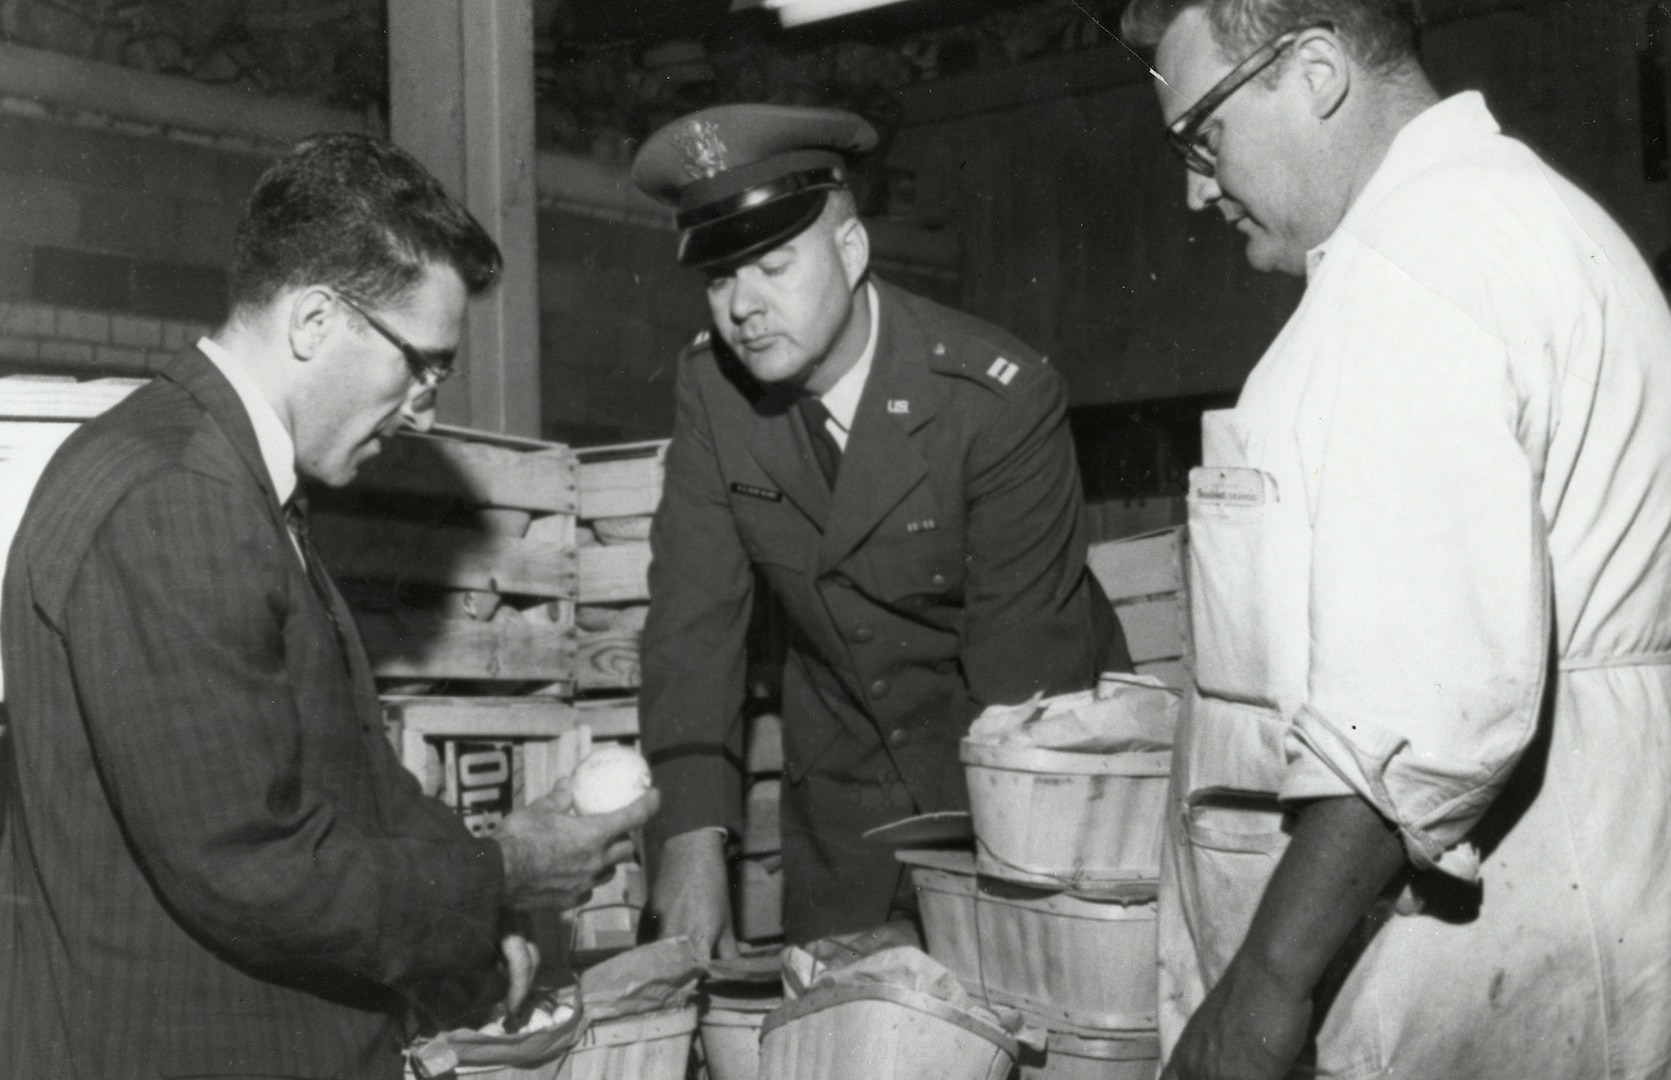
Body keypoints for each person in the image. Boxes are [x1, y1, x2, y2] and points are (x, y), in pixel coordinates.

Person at [0, 133, 658, 1080]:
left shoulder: (216, 474)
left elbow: (328, 771)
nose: (425, 408)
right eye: (420, 364)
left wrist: (476, 907)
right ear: (314, 320)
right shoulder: (176, 497)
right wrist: (507, 868)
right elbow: (254, 867)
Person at [1120, 1, 1671, 1077]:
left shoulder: (1415, 265)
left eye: (1205, 136)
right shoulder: (1530, 215)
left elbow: (1416, 713)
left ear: (1316, 69)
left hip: (1472, 967)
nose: (1196, 187)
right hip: (1596, 917)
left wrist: (1261, 989)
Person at [629, 104, 1131, 952]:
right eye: (720, 279)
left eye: (774, 266)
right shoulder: (715, 391)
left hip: (1022, 797)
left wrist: (926, 917)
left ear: (852, 251)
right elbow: (691, 622)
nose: (743, 307)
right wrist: (689, 843)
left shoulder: (997, 400)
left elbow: (1021, 685)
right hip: (844, 819)